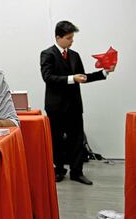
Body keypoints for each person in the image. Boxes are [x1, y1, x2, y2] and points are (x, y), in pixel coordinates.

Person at [40, 20, 115, 185]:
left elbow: (82, 77)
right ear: (58, 37)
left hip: (74, 105)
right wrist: (71, 78)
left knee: (76, 139)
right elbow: (48, 78)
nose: (71, 41)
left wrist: (103, 72)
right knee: (57, 139)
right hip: (56, 106)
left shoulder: (74, 55)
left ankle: (77, 172)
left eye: (72, 38)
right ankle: (58, 170)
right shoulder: (47, 54)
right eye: (68, 38)